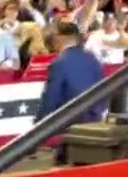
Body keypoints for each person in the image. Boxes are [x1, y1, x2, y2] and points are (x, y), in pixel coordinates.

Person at [38, 22, 105, 164]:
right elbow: (104, 88)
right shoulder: (93, 58)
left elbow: (51, 97)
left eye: (53, 35)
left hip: (72, 126)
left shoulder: (59, 62)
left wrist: (39, 125)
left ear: (61, 38)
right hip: (94, 124)